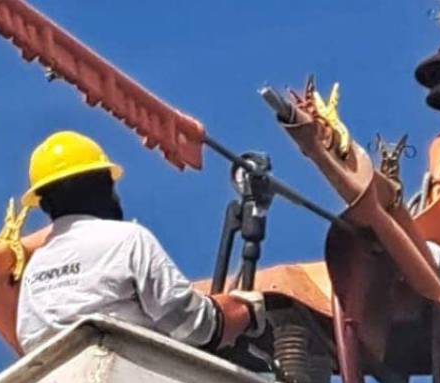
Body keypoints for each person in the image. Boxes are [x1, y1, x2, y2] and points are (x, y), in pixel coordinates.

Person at [15, 130, 263, 354]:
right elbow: (193, 326)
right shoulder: (127, 240)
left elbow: (30, 342)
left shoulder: (34, 268)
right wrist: (244, 312)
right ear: (103, 185)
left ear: (45, 204)